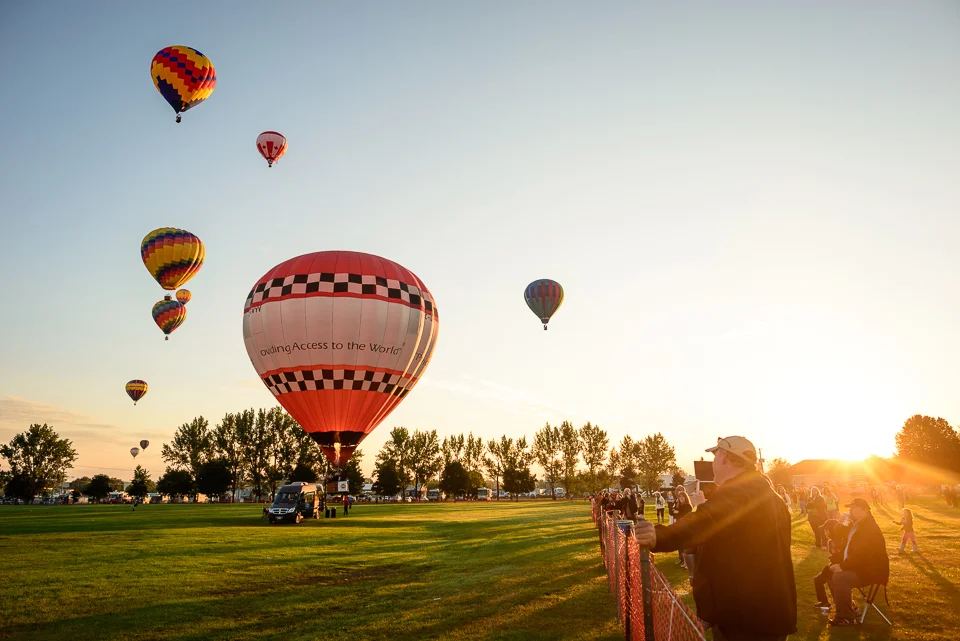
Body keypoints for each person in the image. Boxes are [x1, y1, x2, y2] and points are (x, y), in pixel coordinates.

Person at [634, 436, 796, 641]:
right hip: (771, 613)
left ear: (726, 457)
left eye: (715, 456)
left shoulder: (738, 492)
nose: (713, 464)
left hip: (745, 619)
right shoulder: (772, 497)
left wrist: (658, 536)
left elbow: (704, 520)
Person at [826, 497, 890, 627]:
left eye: (853, 508)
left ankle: (845, 617)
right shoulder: (856, 524)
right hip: (859, 567)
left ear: (864, 510)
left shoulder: (869, 527)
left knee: (840, 577)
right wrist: (840, 523)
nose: (850, 511)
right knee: (829, 573)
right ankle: (851, 608)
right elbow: (837, 534)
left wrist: (842, 566)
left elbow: (861, 553)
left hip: (871, 570)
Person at [813, 519, 850, 610]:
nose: (825, 532)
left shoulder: (842, 541)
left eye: (826, 529)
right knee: (818, 580)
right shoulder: (830, 542)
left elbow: (844, 557)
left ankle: (848, 605)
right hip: (833, 566)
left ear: (832, 529)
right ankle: (824, 602)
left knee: (831, 580)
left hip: (843, 567)